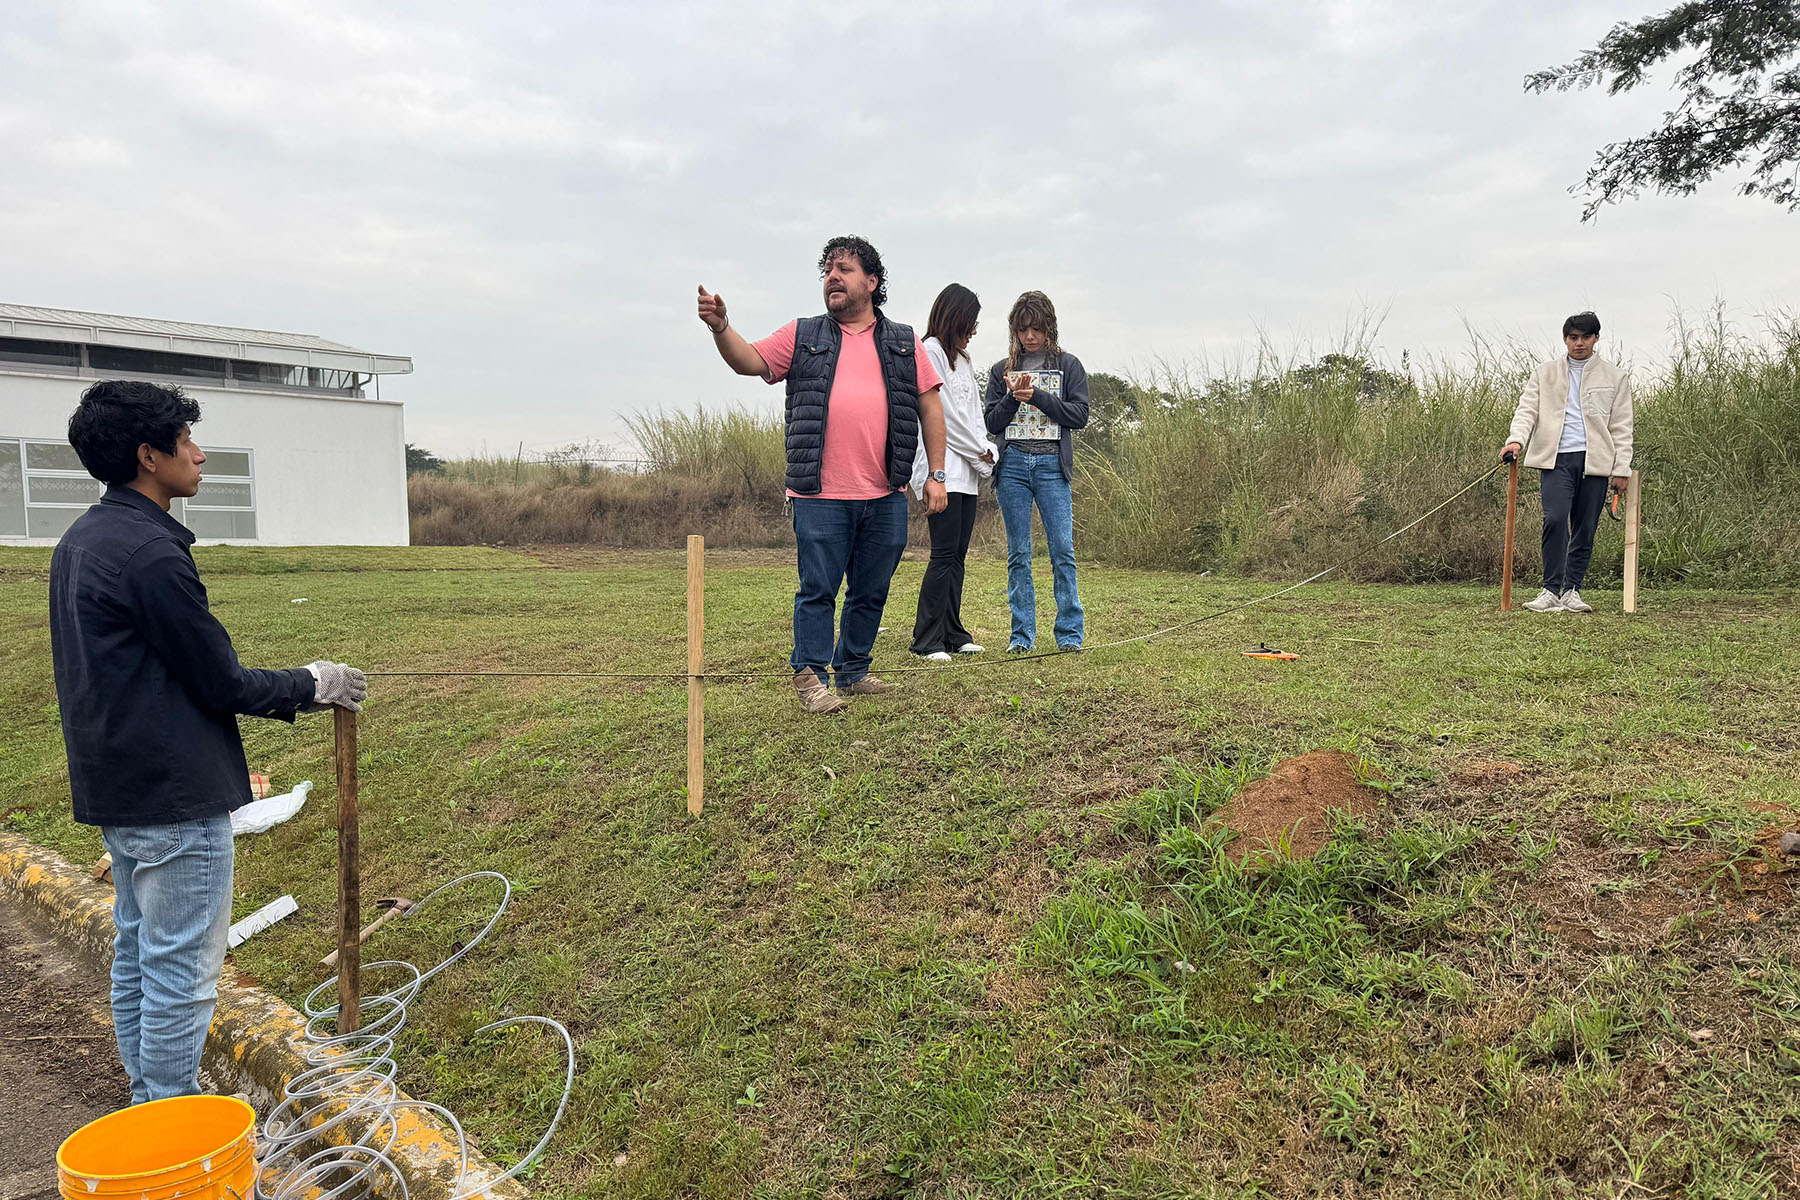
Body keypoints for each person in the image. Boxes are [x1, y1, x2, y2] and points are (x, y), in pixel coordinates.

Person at [49, 380, 367, 1105]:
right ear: (147, 456)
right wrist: (312, 682)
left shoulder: (83, 540)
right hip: (172, 797)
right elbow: (219, 681)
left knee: (138, 955)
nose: (199, 452)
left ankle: (146, 1104)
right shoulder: (149, 555)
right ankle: (167, 1120)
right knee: (181, 974)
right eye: (184, 440)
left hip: (117, 788)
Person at [698, 235, 949, 713]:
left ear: (872, 283)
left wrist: (935, 474)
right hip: (819, 495)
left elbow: (929, 407)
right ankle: (810, 678)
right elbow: (748, 360)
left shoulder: (903, 341)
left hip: (886, 493)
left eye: (845, 268)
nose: (833, 276)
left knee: (872, 589)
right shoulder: (803, 334)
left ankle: (853, 671)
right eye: (828, 270)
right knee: (818, 589)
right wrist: (721, 327)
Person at [1500, 311, 1634, 614]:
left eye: (1586, 337)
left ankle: (1572, 590)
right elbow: (1527, 411)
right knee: (1555, 519)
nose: (1579, 343)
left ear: (1596, 338)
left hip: (1596, 461)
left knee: (1585, 528)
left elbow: (1622, 426)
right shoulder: (1544, 373)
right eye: (1573, 337)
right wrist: (1515, 440)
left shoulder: (1615, 377)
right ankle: (1550, 589)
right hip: (1556, 458)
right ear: (1565, 339)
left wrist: (1621, 469)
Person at [983, 291, 1090, 652]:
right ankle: (1021, 637)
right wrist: (1013, 397)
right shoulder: (1001, 370)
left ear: (1050, 329)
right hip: (1012, 464)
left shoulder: (1069, 366)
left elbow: (1079, 416)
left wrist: (1039, 397)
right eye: (1023, 329)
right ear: (1014, 330)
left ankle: (1070, 636)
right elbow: (991, 422)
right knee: (1019, 554)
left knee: (1063, 550)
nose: (1030, 336)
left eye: (1037, 329)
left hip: (1051, 465)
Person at [909, 283, 996, 662]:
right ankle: (926, 639)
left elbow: (974, 414)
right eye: (970, 322)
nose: (973, 330)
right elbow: (942, 417)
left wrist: (986, 447)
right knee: (942, 555)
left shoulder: (965, 359)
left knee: (958, 555)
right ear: (954, 317)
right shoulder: (929, 352)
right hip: (941, 467)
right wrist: (981, 453)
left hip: (969, 473)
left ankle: (953, 633)